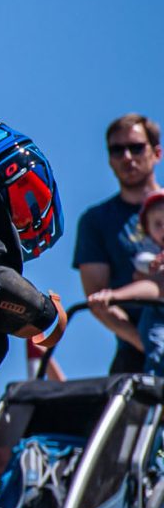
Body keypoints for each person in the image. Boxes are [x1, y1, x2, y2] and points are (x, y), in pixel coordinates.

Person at [73, 114, 163, 374]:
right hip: (135, 355)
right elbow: (98, 301)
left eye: (136, 147)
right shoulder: (96, 220)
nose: (127, 157)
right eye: (117, 149)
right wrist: (148, 345)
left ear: (156, 153)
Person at [84, 189, 164, 375]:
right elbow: (154, 283)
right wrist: (113, 297)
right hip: (154, 327)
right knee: (159, 354)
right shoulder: (148, 259)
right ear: (148, 232)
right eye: (158, 225)